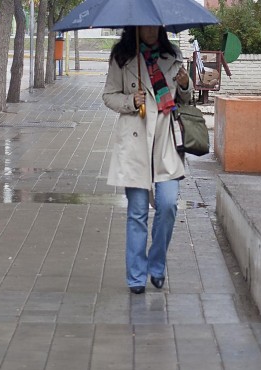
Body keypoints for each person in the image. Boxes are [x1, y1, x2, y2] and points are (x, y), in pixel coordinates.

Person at [102, 26, 192, 294]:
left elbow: (185, 99)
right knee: (137, 213)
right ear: (136, 28)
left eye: (156, 26)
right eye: (146, 26)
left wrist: (185, 84)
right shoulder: (121, 57)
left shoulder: (172, 55)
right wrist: (131, 100)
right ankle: (137, 277)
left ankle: (157, 265)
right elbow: (108, 95)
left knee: (167, 206)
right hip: (136, 142)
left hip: (166, 142)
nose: (152, 30)